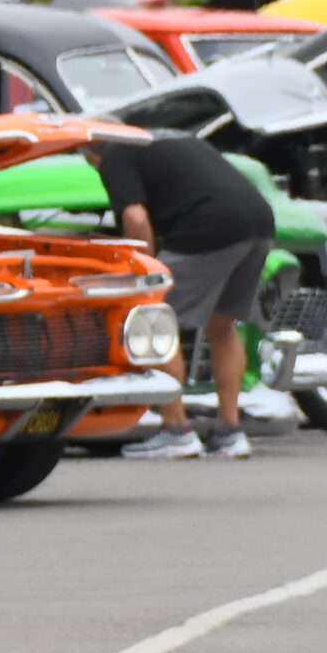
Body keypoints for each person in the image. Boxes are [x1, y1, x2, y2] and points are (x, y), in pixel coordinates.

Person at [89, 133, 275, 460]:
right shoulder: (168, 140)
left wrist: (145, 270)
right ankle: (229, 432)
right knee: (223, 326)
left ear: (93, 155)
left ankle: (176, 431)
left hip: (209, 225)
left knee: (152, 320)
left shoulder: (115, 152)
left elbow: (135, 218)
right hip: (260, 222)